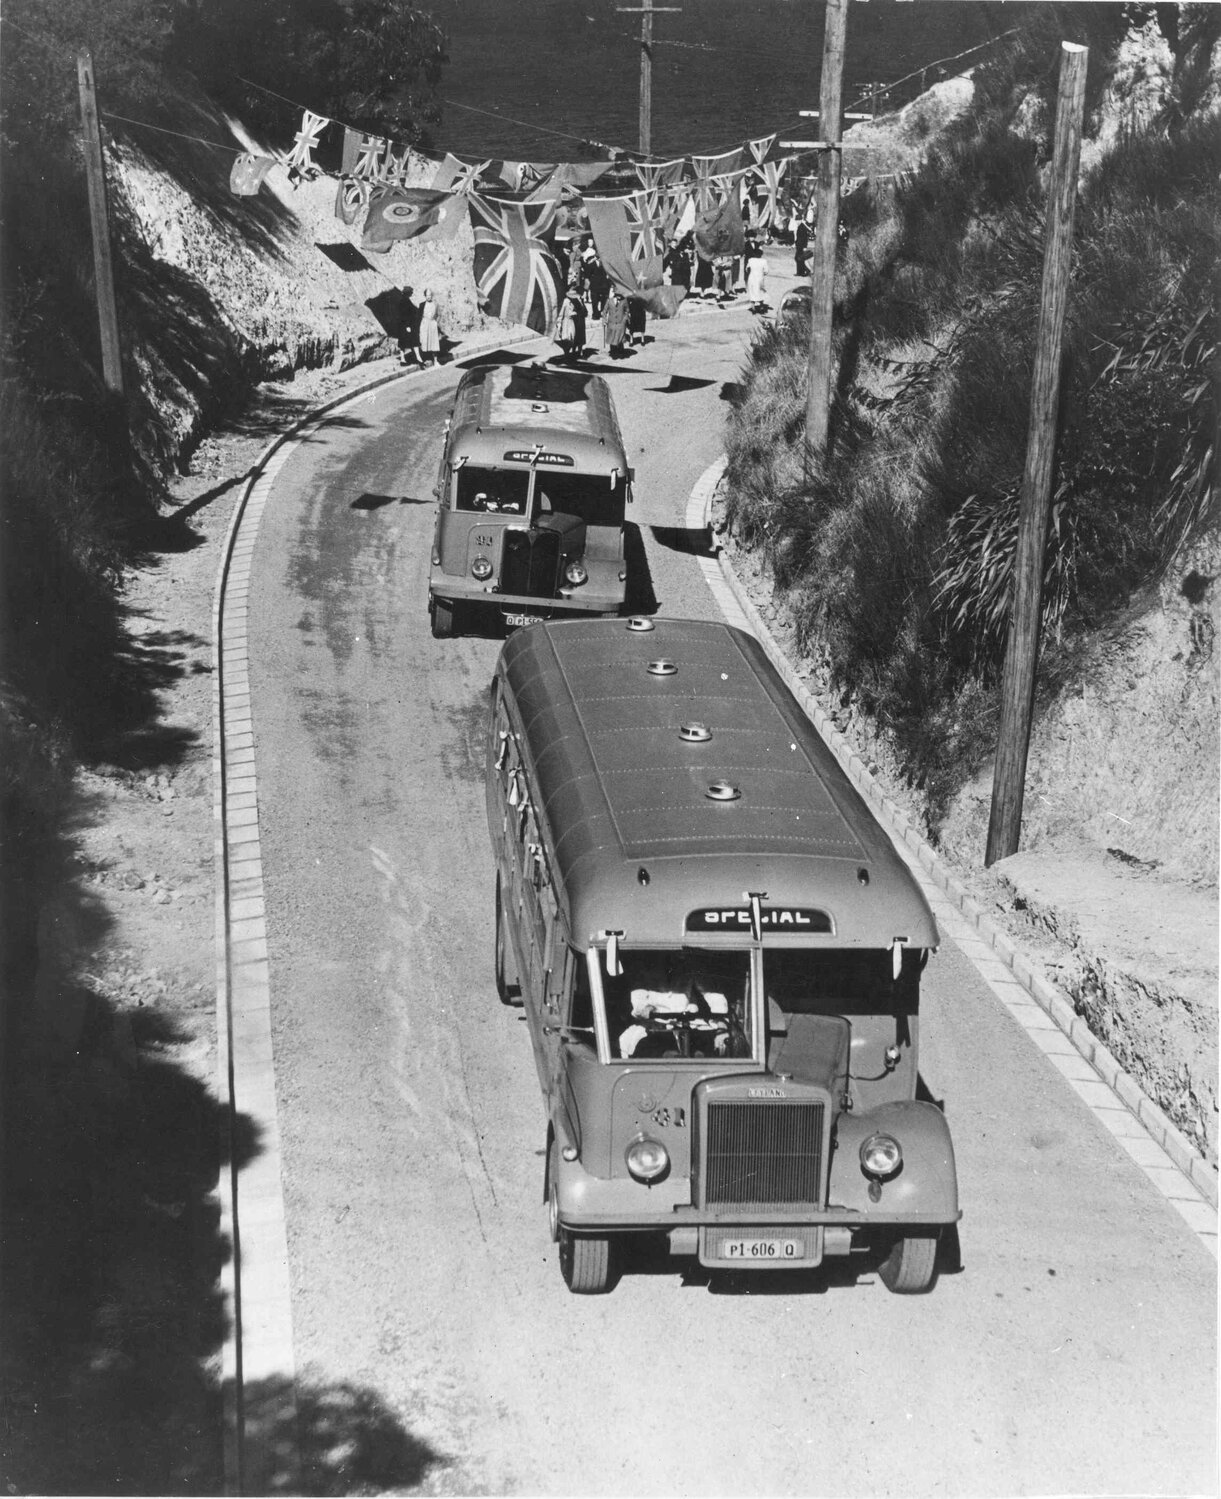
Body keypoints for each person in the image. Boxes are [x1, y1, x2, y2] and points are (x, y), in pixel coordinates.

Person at [555, 289, 586, 362]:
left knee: (571, 339)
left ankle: (568, 355)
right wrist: (559, 324)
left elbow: (582, 310)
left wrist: (581, 301)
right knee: (566, 338)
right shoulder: (566, 302)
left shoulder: (575, 302)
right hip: (566, 322)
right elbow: (561, 314)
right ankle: (566, 355)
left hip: (572, 323)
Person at [418, 289, 441, 366]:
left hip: (432, 324)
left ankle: (435, 360)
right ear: (425, 296)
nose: (429, 297)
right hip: (424, 324)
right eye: (427, 295)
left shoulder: (435, 304)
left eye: (430, 295)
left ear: (432, 296)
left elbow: (438, 314)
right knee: (424, 341)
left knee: (434, 342)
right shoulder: (422, 305)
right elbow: (418, 316)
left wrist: (436, 322)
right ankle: (426, 359)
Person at [602, 290, 629, 358]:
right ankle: (613, 351)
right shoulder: (609, 300)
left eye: (621, 295)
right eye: (618, 295)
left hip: (621, 322)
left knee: (620, 336)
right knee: (612, 337)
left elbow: (627, 311)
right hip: (611, 322)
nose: (620, 296)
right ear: (615, 294)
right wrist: (604, 320)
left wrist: (625, 319)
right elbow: (604, 311)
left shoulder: (624, 300)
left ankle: (621, 351)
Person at [745, 242, 768, 313]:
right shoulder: (764, 261)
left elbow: (747, 269)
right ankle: (761, 306)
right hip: (760, 278)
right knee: (760, 292)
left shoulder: (751, 260)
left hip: (752, 278)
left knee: (752, 292)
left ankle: (753, 307)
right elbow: (766, 271)